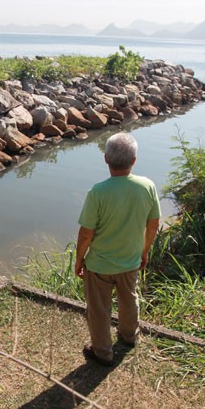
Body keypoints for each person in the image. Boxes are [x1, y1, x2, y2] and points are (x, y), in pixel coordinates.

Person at [75, 131, 161, 367]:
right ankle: (129, 336)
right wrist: (144, 251)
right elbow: (153, 224)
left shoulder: (98, 192)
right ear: (134, 160)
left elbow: (86, 233)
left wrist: (79, 260)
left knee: (99, 309)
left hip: (100, 265)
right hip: (130, 260)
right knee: (129, 298)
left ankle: (102, 352)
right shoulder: (147, 187)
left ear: (106, 159)